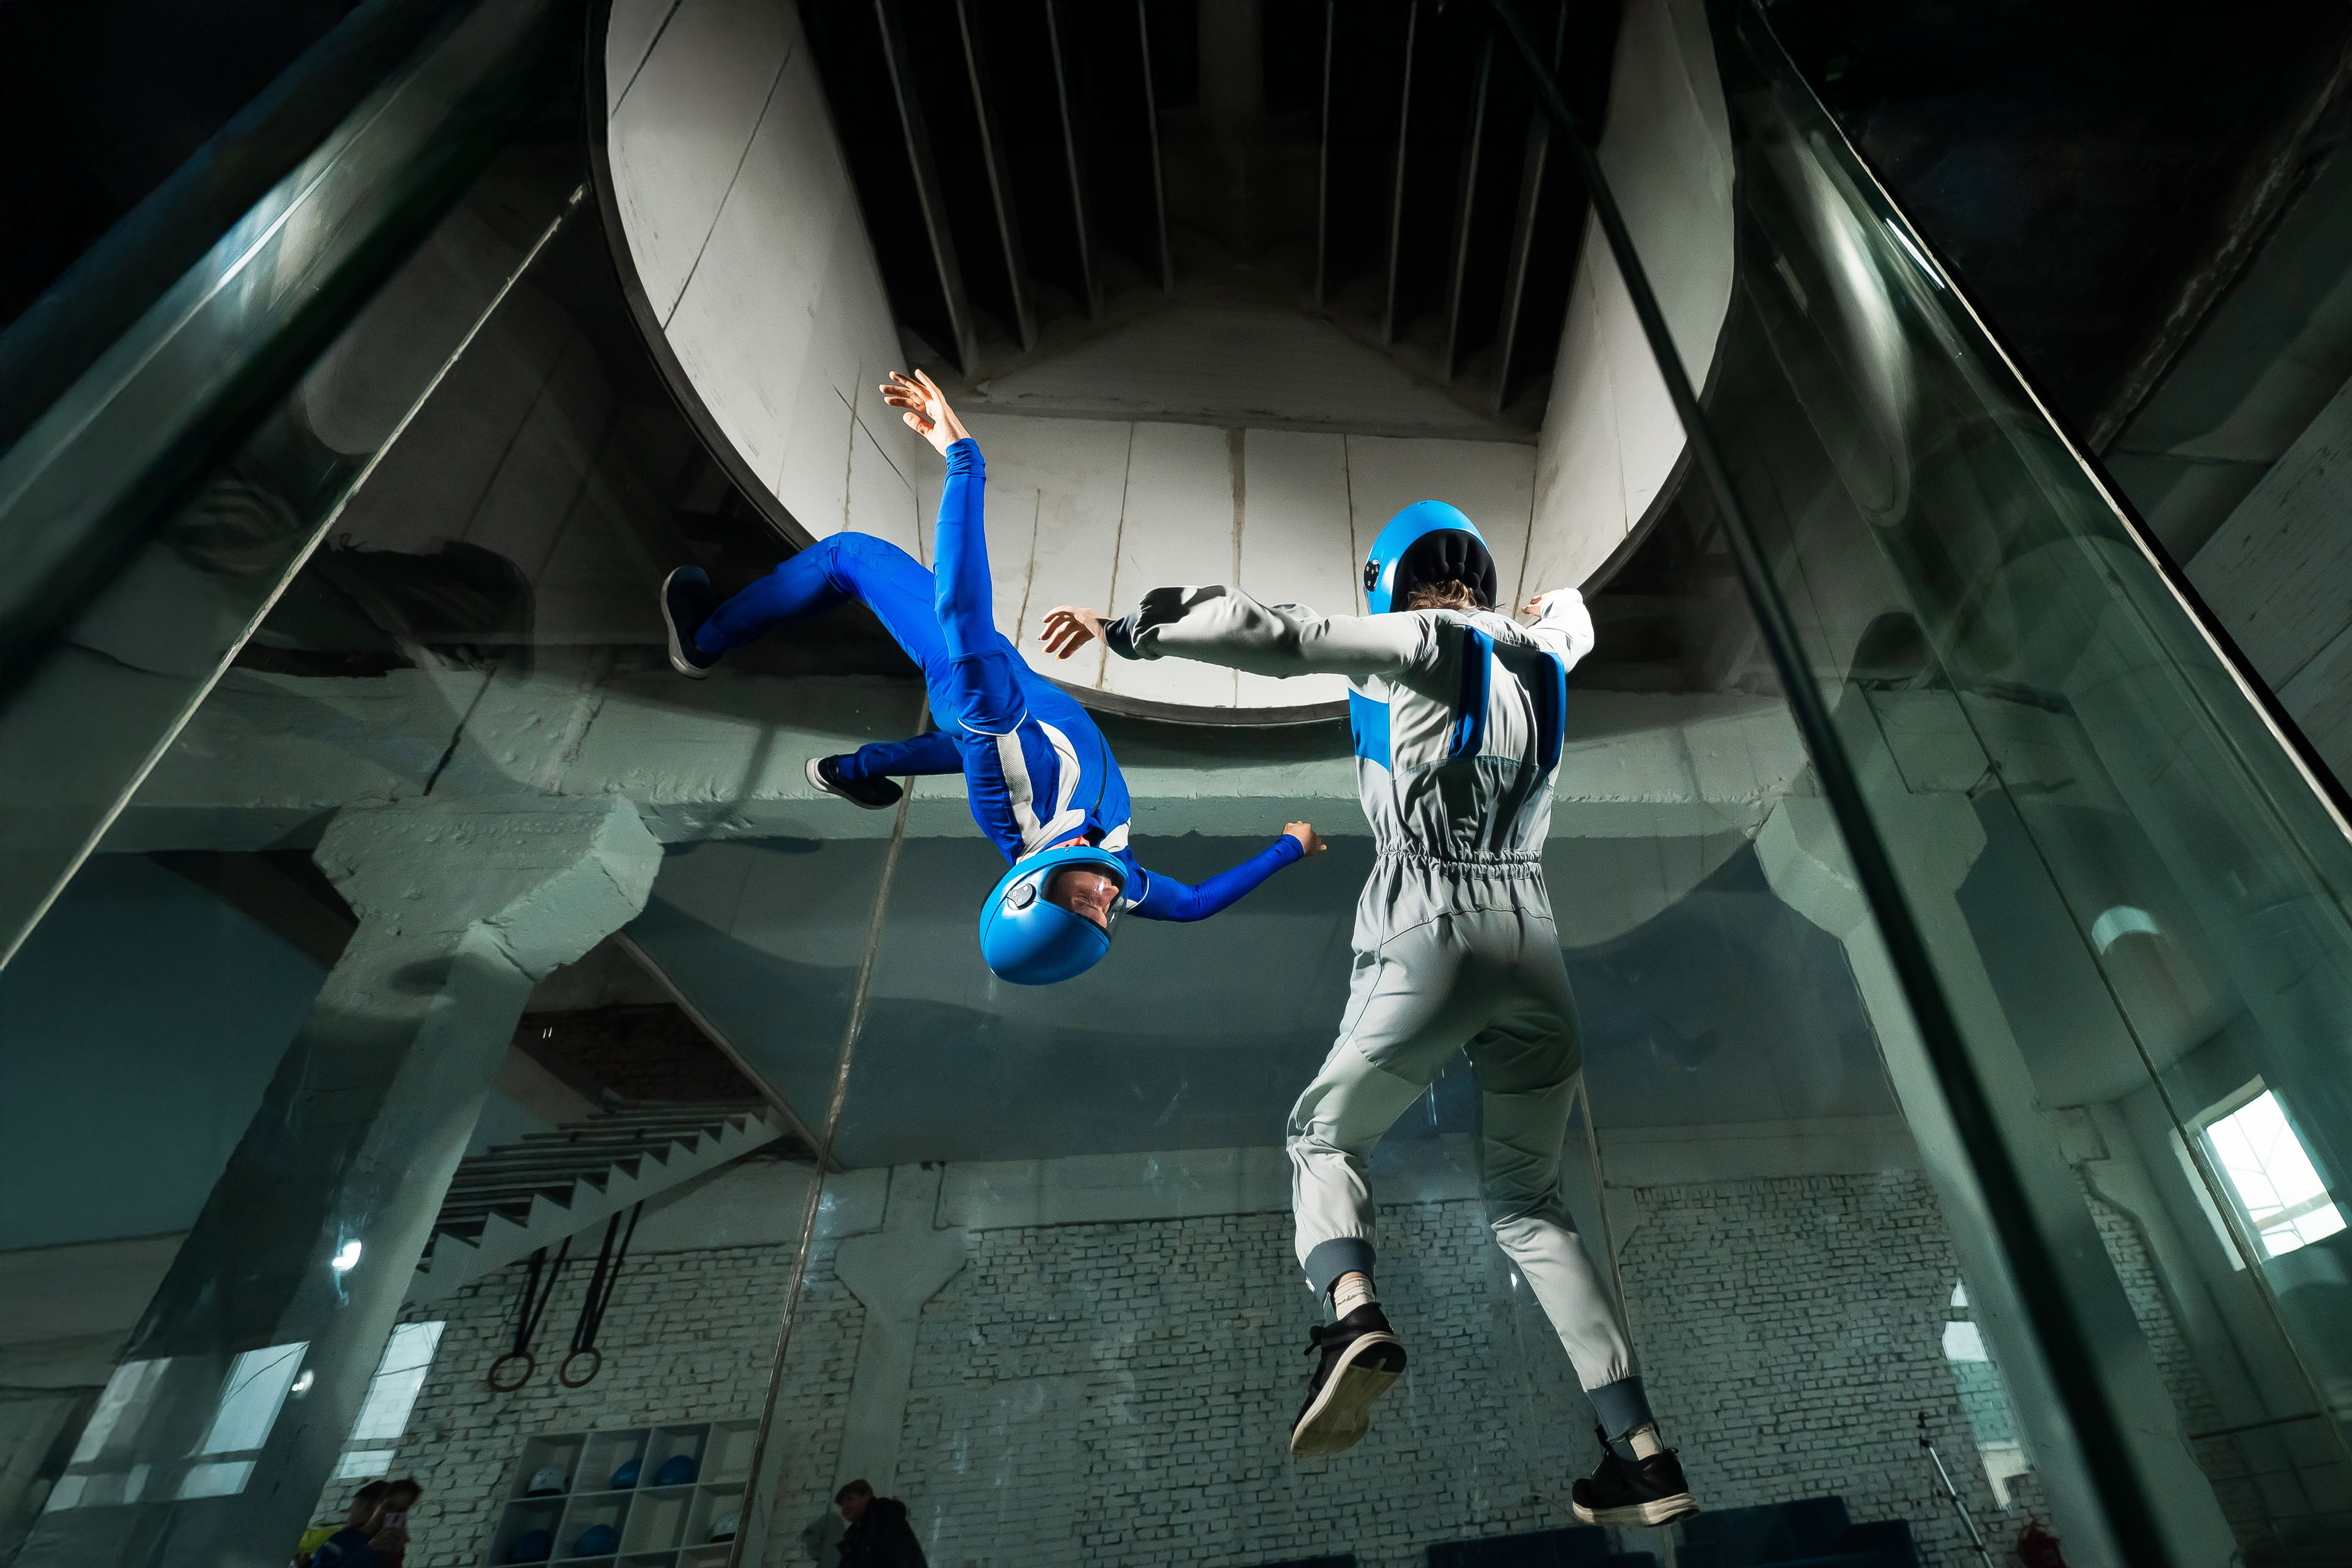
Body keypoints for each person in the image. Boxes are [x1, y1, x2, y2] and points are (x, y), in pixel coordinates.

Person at [1039, 501, 1702, 1526]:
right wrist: (1553, 603)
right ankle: (1644, 1452)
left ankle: (1353, 1313)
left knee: (1320, 1134)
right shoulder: (1547, 651)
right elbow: (1574, 616)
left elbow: (1278, 635)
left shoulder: (1420, 639)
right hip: (1536, 947)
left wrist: (1129, 630)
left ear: (1392, 582)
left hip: (1434, 931)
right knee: (1530, 1206)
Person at [661, 370, 1323, 985]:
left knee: (849, 556)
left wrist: (963, 458)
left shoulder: (1022, 787)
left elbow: (961, 613)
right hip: (1015, 711)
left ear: (1030, 886)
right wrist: (1289, 849)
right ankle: (854, 770)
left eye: (1082, 901)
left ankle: (701, 640)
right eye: (1104, 914)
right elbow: (1196, 905)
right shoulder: (1116, 871)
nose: (1107, 897)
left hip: (980, 684)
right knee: (975, 741)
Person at [834, 1479, 927, 1567]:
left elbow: (905, 1557)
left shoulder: (884, 1515)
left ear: (867, 1496)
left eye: (850, 1500)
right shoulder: (855, 1533)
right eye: (842, 1505)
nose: (845, 1508)